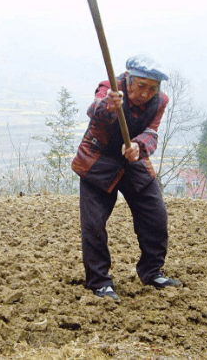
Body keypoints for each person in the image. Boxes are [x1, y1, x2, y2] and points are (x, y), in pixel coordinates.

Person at [71, 54, 181, 301]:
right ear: (129, 80)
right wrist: (109, 105)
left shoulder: (160, 101)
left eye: (151, 88)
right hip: (97, 160)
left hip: (133, 161)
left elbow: (152, 132)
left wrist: (139, 147)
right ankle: (99, 281)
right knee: (94, 224)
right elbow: (94, 110)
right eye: (141, 86)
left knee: (156, 215)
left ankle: (152, 271)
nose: (145, 93)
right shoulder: (110, 88)